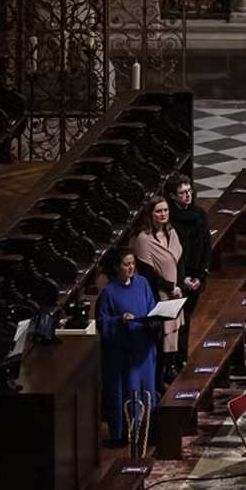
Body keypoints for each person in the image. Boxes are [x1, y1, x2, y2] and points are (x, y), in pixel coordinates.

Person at [95, 249, 157, 447]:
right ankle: (126, 433)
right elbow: (103, 322)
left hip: (144, 346)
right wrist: (119, 320)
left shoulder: (142, 283)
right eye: (126, 264)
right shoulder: (109, 292)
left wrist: (155, 320)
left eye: (132, 263)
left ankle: (148, 430)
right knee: (128, 391)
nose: (131, 268)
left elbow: (152, 308)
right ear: (116, 267)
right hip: (125, 351)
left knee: (147, 389)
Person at [130, 196, 184, 385]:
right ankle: (158, 380)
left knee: (176, 334)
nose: (163, 214)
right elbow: (148, 274)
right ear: (150, 214)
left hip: (176, 293)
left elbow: (178, 259)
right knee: (161, 338)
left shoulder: (172, 232)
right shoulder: (143, 240)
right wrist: (170, 287)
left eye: (165, 210)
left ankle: (171, 368)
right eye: (158, 211)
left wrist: (181, 284)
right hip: (159, 295)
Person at [165, 174, 210, 364]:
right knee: (176, 321)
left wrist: (201, 275)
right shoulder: (170, 220)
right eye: (182, 192)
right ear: (173, 196)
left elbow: (206, 245)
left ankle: (183, 358)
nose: (187, 195)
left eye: (189, 191)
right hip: (178, 277)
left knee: (188, 317)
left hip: (196, 274)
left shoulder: (199, 215)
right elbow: (171, 254)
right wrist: (183, 278)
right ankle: (174, 360)